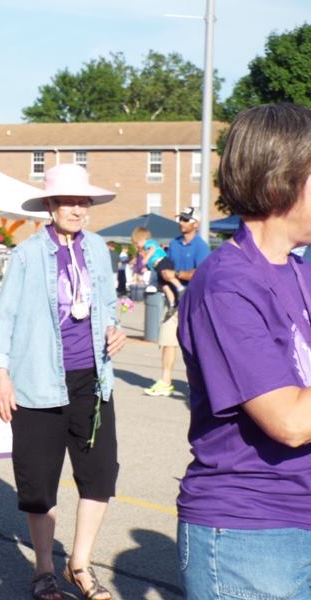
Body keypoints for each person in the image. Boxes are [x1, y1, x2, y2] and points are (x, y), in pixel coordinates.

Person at [177, 104, 311, 598]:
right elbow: (289, 421)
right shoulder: (226, 285)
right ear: (282, 180)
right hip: (250, 535)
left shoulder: (299, 270)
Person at [0, 163, 126, 600]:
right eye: (68, 201)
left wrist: (114, 328)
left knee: (99, 475)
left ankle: (80, 564)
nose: (77, 209)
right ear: (50, 205)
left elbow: (108, 305)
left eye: (83, 201)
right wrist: (0, 375)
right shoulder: (28, 254)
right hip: (38, 382)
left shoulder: (99, 248)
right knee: (39, 482)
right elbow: (5, 317)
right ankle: (45, 569)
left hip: (93, 381)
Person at [143, 208, 210, 397]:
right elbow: (167, 265)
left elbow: (201, 273)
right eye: (181, 218)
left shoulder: (201, 247)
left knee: (196, 345)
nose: (181, 222)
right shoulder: (174, 243)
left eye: (186, 219)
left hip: (194, 301)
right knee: (167, 339)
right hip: (174, 301)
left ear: (195, 224)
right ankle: (165, 381)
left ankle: (202, 384)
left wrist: (177, 274)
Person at [130, 227, 184, 318]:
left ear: (142, 239)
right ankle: (172, 305)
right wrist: (146, 268)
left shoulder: (149, 243)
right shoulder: (145, 250)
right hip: (157, 267)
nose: (137, 246)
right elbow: (151, 264)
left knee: (167, 275)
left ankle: (181, 289)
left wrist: (146, 259)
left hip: (163, 262)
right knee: (165, 287)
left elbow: (153, 249)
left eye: (137, 243)